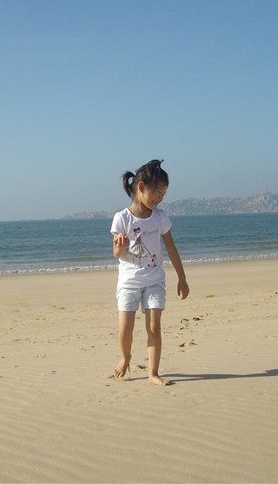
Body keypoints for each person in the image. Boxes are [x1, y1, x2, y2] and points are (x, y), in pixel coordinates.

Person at [110, 159, 189, 386]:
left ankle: (153, 373)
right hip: (129, 283)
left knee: (154, 327)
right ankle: (125, 358)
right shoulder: (122, 218)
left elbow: (171, 247)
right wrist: (121, 246)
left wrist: (182, 278)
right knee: (125, 329)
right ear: (141, 187)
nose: (160, 198)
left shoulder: (160, 217)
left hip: (155, 280)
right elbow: (116, 254)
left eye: (163, 194)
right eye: (157, 192)